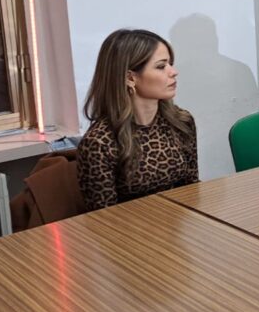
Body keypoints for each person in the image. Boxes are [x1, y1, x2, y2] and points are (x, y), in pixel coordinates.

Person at [77, 29, 198, 211]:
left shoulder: (182, 122)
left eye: (170, 64)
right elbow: (103, 218)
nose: (174, 72)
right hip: (129, 228)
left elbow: (193, 188)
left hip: (181, 223)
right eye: (161, 66)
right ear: (130, 78)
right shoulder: (99, 142)